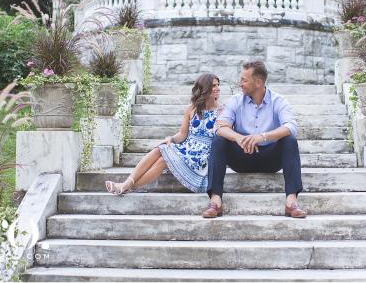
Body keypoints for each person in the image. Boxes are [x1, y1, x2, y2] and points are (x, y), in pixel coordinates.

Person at [203, 61, 307, 218]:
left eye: (244, 80)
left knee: (289, 140)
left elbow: (291, 126)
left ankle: (291, 203)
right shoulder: (236, 101)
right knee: (219, 139)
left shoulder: (278, 101)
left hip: (270, 159)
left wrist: (263, 136)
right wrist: (239, 138)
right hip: (242, 157)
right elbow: (219, 127)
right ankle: (215, 201)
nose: (240, 84)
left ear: (258, 82)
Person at [105, 73, 221, 195]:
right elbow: (182, 134)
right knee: (160, 149)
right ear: (204, 88)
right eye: (213, 85)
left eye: (218, 85)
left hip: (201, 156)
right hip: (187, 148)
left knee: (162, 161)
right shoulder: (192, 109)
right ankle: (126, 184)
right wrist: (170, 139)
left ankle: (126, 186)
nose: (217, 88)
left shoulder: (221, 111)